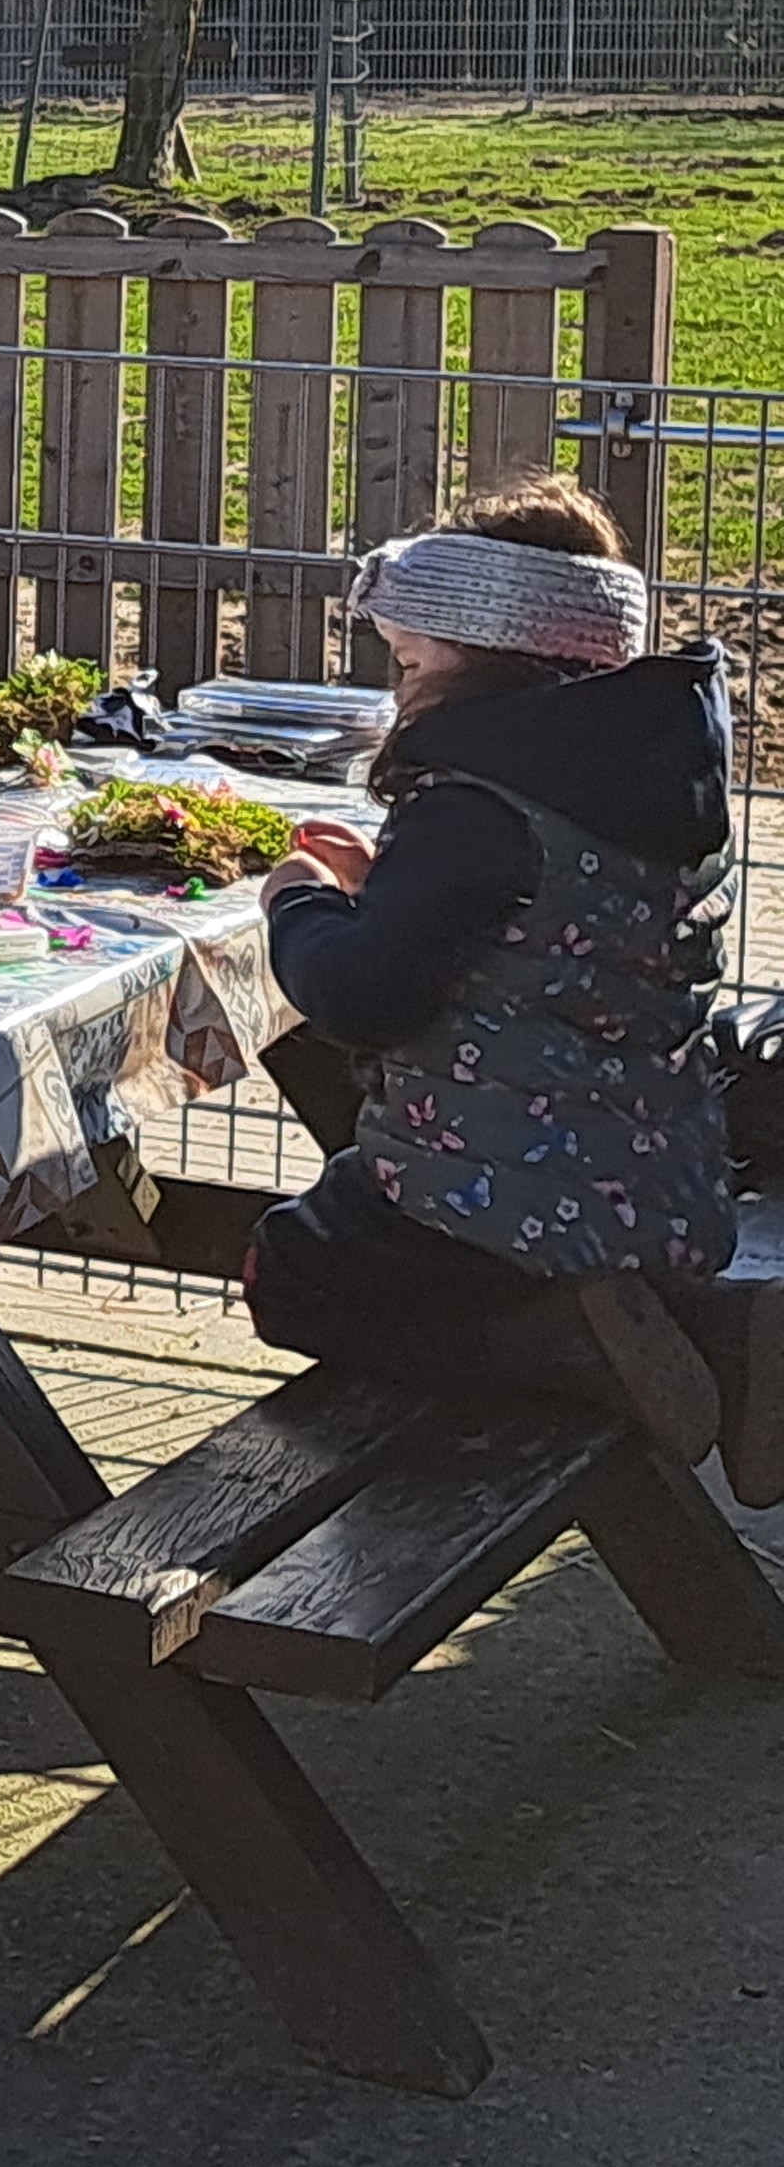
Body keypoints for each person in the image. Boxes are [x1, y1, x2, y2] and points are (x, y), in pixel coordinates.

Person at [247, 475, 761, 1474]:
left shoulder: (473, 801)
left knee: (290, 1268)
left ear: (483, 654)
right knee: (370, 1211)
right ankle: (720, 1340)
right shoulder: (648, 772)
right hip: (665, 1177)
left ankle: (558, 1349)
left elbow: (360, 998)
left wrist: (298, 902)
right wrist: (391, 887)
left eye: (407, 661)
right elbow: (536, 921)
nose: (395, 686)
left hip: (496, 1198)